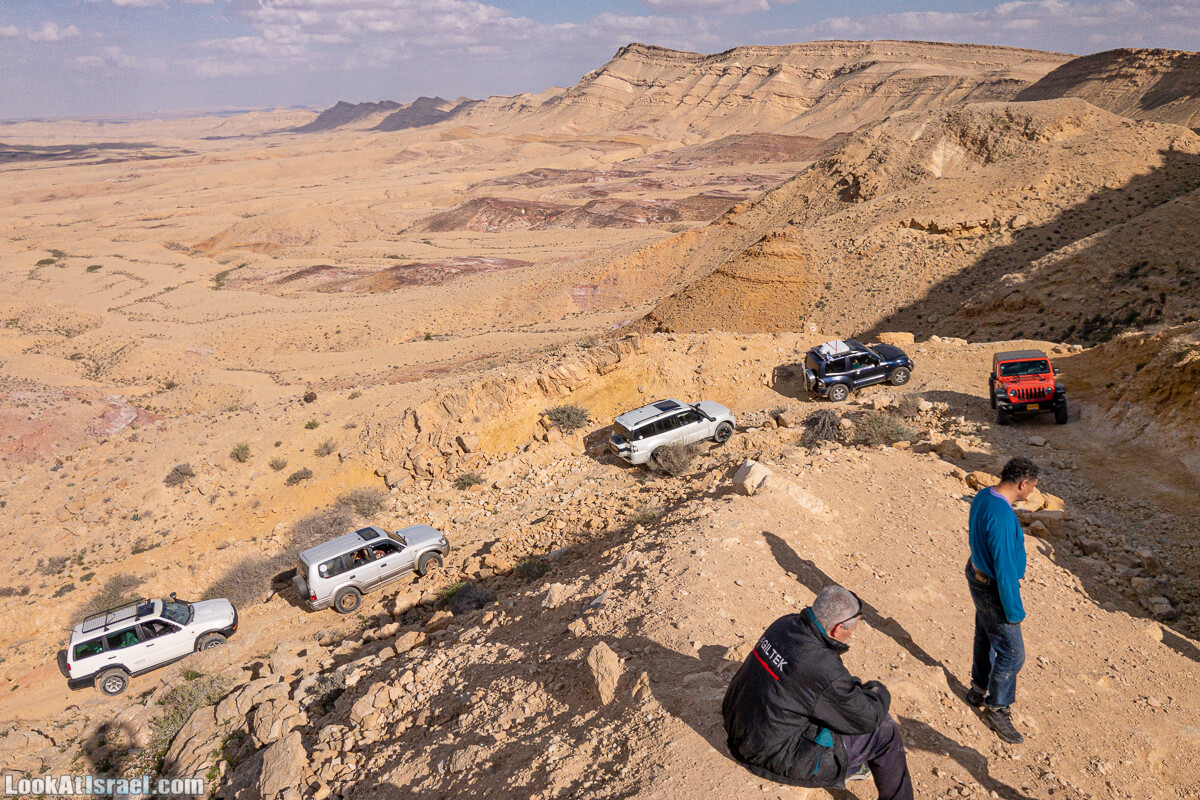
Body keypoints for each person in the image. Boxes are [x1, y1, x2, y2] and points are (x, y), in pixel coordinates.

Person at [722, 585, 913, 800]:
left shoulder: (785, 623)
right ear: (838, 628)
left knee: (829, 706)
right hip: (767, 753)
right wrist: (879, 691)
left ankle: (855, 763)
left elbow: (819, 685)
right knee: (884, 730)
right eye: (852, 629)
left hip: (738, 727)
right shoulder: (820, 665)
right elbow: (867, 718)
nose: (851, 634)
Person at [965, 456, 1039, 744]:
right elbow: (1006, 569)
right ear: (1022, 483)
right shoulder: (1003, 516)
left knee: (985, 634)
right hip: (992, 586)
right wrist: (1014, 610)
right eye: (1032, 487)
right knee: (1012, 653)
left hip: (976, 572)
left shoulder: (984, 495)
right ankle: (997, 707)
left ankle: (977, 688)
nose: (1032, 492)